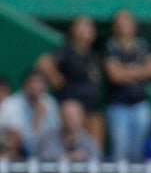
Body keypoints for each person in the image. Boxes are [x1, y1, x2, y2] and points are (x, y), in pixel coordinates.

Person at [103, 9, 151, 162]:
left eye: (126, 23)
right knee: (120, 150)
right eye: (119, 24)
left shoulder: (142, 45)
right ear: (114, 27)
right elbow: (115, 75)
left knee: (138, 152)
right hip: (118, 106)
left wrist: (127, 71)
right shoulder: (110, 47)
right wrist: (141, 70)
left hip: (140, 105)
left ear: (133, 26)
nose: (123, 27)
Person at [35, 16, 104, 146]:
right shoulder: (66, 50)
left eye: (89, 28)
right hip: (72, 112)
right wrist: (55, 78)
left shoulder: (93, 55)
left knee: (94, 149)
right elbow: (42, 62)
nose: (85, 32)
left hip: (91, 110)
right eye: (82, 28)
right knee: (72, 146)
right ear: (73, 31)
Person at [0, 71, 58, 156]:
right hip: (18, 152)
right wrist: (38, 117)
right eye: (31, 82)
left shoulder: (50, 103)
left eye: (39, 82)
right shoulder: (11, 104)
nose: (34, 86)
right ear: (24, 85)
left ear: (45, 86)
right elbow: (21, 139)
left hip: (47, 152)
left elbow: (54, 132)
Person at [34, 99, 100, 161]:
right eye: (66, 115)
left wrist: (84, 158)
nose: (69, 120)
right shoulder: (48, 139)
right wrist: (70, 157)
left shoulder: (88, 140)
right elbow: (45, 160)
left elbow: (97, 159)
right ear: (60, 117)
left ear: (81, 118)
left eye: (73, 116)